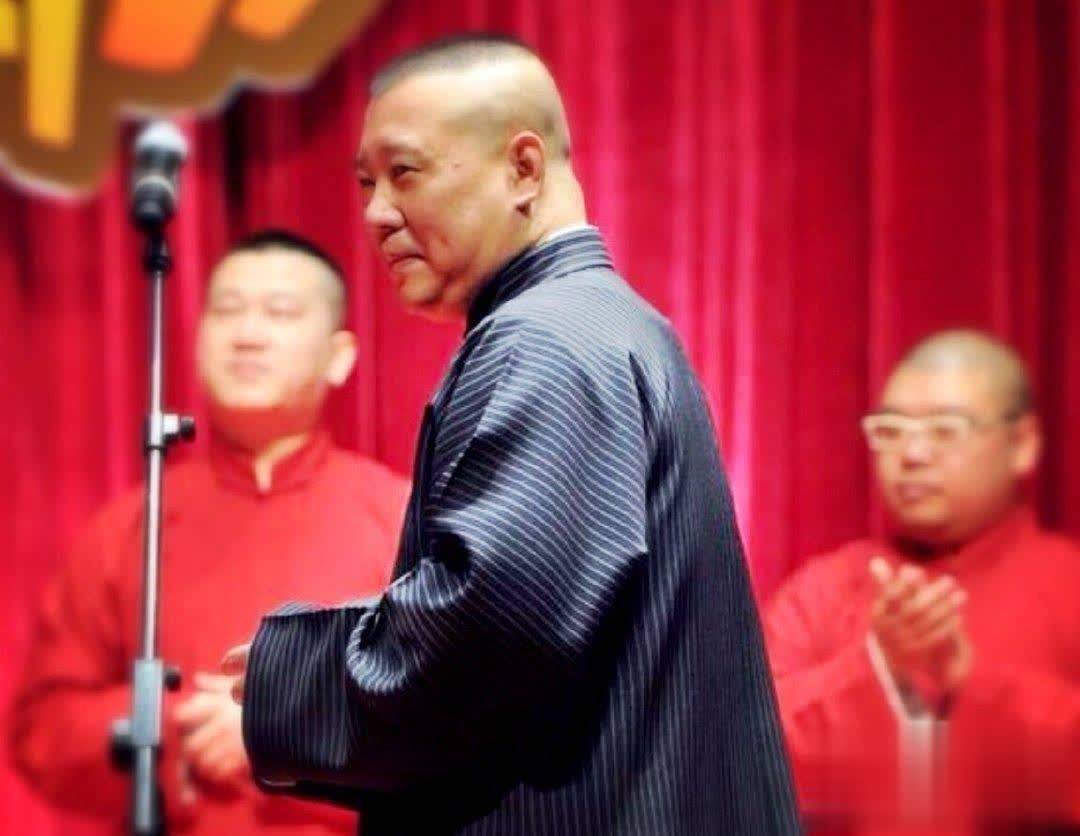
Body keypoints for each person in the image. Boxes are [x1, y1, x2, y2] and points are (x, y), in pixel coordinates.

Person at [223, 35, 799, 836]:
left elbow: (492, 640)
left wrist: (290, 687)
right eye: (365, 183)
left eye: (405, 173)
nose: (376, 213)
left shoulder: (548, 341)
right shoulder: (600, 324)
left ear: (523, 168)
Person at [9, 229, 410, 836]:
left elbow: (450, 724)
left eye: (280, 312)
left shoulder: (400, 517)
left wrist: (280, 732)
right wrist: (172, 726)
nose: (247, 334)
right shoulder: (131, 525)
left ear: (340, 356)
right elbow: (42, 729)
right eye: (227, 310)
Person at [765, 329, 1080, 832]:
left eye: (945, 430)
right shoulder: (822, 591)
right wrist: (875, 668)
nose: (911, 454)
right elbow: (742, 753)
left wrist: (973, 685)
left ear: (1021, 444)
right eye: (890, 430)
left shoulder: (1067, 585)